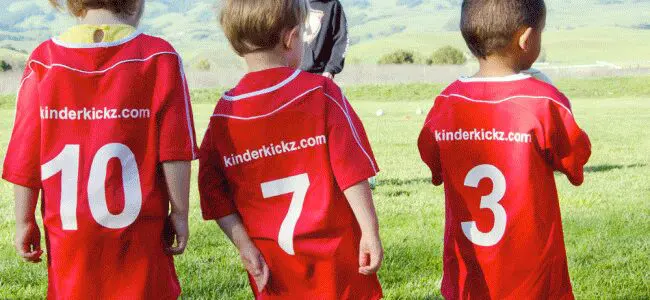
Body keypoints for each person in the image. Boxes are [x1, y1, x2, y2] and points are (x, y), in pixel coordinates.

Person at [2, 0, 198, 298]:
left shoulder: (44, 60)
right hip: (140, 237)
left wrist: (24, 220)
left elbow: (24, 159)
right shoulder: (160, 57)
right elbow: (175, 151)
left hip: (70, 241)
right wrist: (180, 212)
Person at [199, 0, 383, 298]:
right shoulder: (322, 93)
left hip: (273, 266)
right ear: (291, 37)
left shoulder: (224, 114)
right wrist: (370, 231)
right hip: (336, 264)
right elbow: (352, 171)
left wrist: (245, 246)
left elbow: (211, 191)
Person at [417, 0, 591, 299]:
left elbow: (433, 160)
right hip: (533, 274)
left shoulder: (445, 102)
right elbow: (575, 158)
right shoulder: (545, 101)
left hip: (468, 271)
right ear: (527, 39)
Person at [300, 0, 348, 79]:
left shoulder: (333, 4)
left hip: (321, 74)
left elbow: (341, 39)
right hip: (293, 73)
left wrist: (330, 69)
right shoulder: (292, 3)